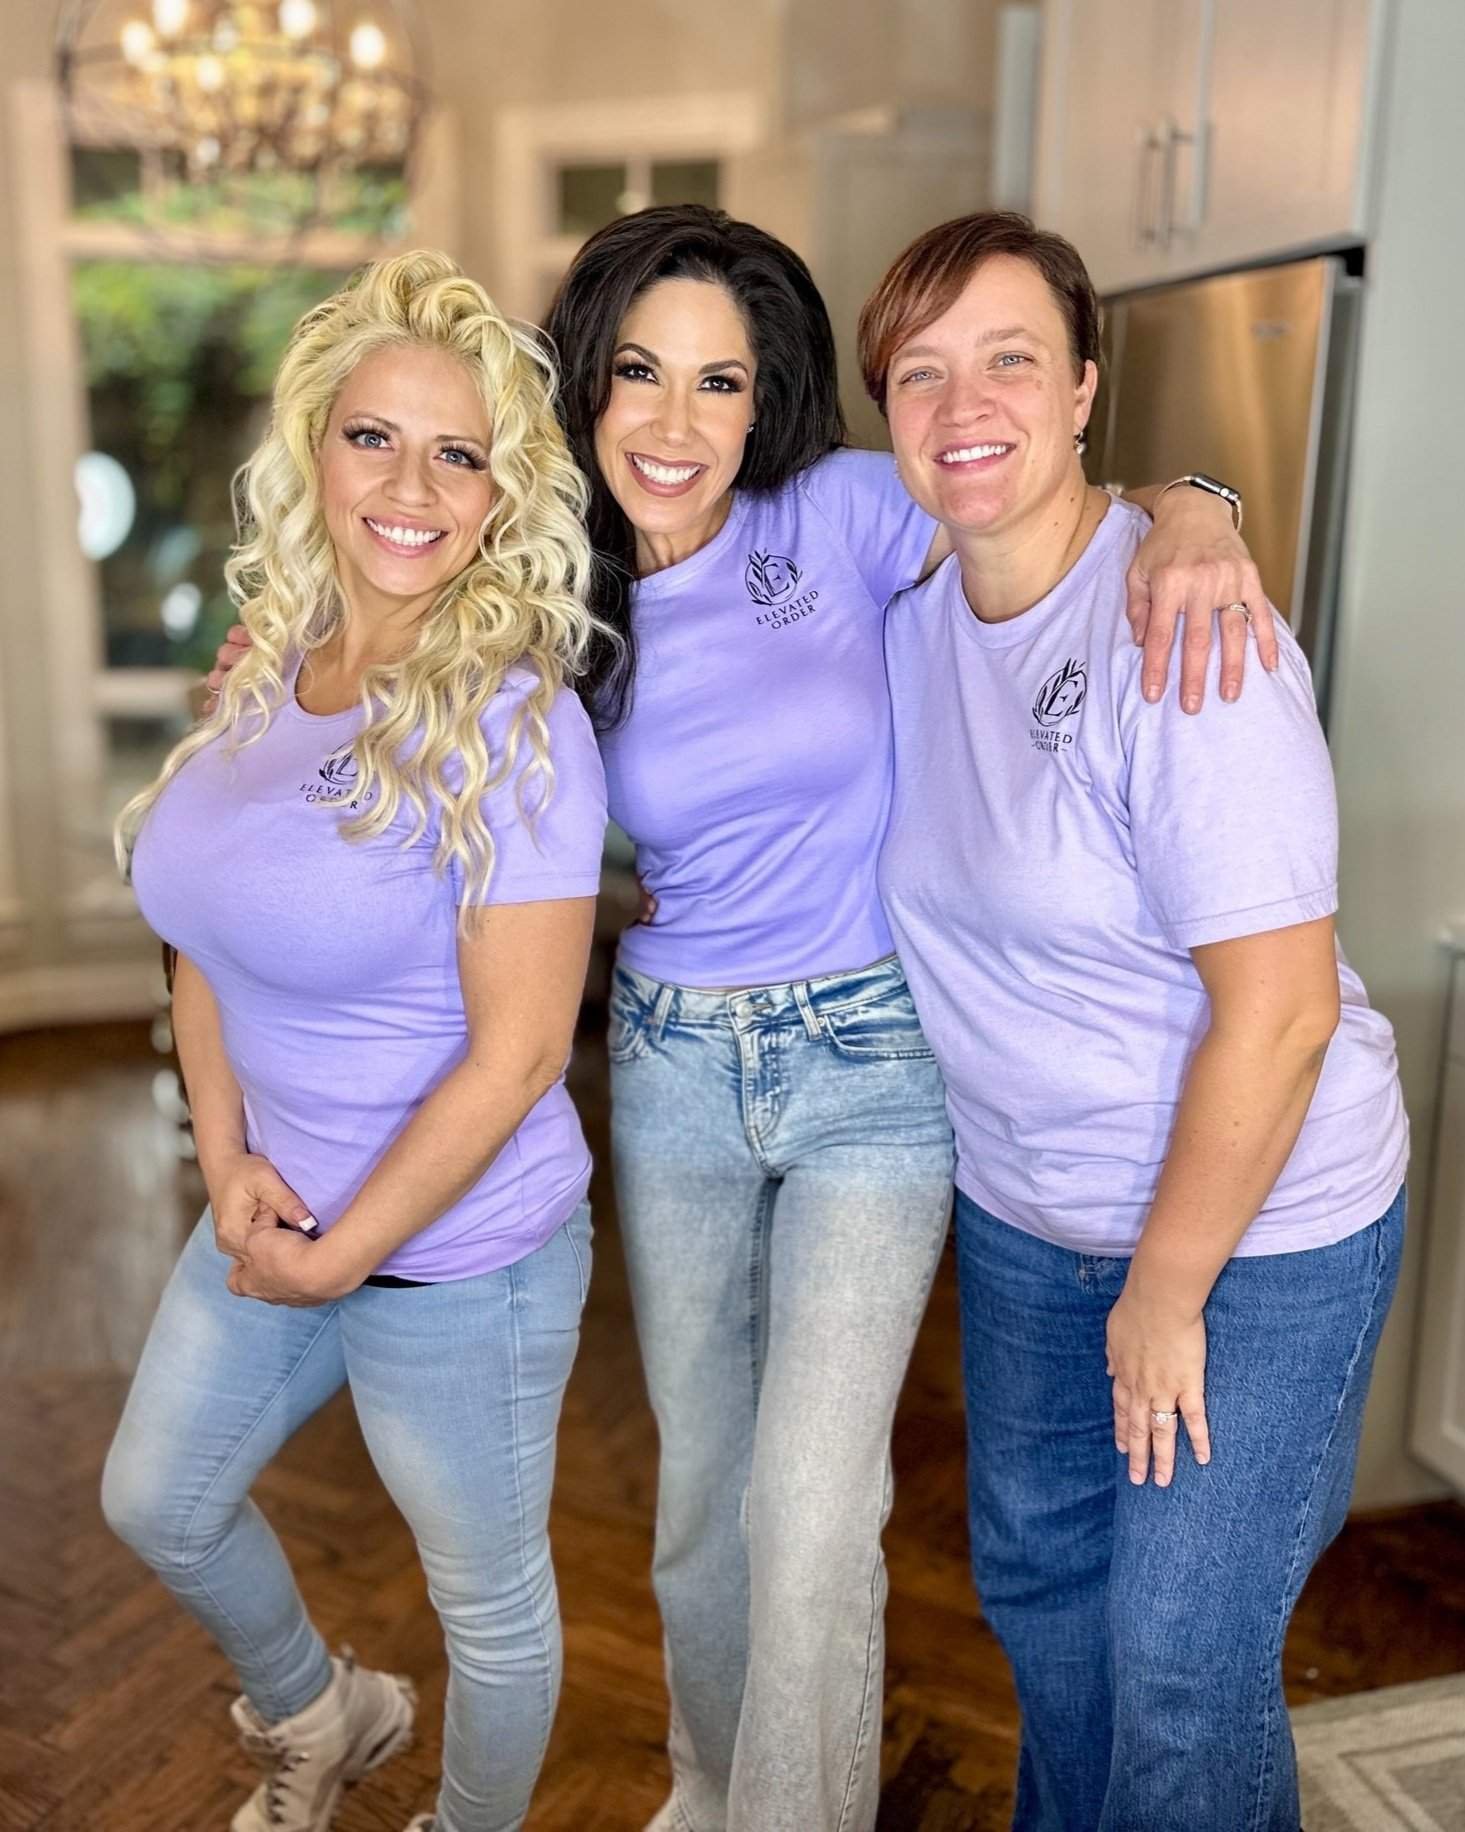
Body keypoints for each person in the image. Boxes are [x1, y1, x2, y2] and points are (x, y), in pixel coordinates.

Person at [210, 208, 1269, 1832]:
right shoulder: (537, 584)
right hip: (673, 1064)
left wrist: (1196, 503)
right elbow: (378, 670)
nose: (674, 422)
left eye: (720, 381)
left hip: (871, 1064)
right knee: (702, 1503)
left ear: (761, 398)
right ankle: (707, 1791)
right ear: (585, 382)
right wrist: (270, 667)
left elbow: (1040, 509)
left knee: (813, 1509)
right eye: (638, 372)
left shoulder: (837, 510)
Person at [863, 210, 1408, 1831]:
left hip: (1254, 1239)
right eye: (920, 371)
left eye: (1010, 359)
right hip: (1028, 1221)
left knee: (1180, 1662)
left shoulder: (1184, 636)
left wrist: (1166, 1293)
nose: (964, 403)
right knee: (1044, 1606)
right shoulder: (911, 615)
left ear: (1084, 386)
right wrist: (1198, 491)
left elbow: (1282, 1015)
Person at [103, 251, 607, 1832]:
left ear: (500, 496)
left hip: (462, 1257)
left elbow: (518, 1056)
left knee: (491, 1612)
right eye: (373, 437)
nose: (409, 486)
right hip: (280, 1205)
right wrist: (229, 1162)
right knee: (155, 1500)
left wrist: (348, 1257)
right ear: (311, 451)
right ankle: (327, 1714)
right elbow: (205, 937)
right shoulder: (269, 666)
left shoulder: (518, 722)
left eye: (459, 453)